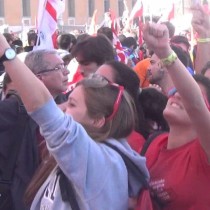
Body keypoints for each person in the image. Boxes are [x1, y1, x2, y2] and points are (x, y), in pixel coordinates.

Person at [0, 36, 149, 210]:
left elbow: (44, 109)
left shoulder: (98, 160)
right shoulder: (94, 152)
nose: (62, 110)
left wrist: (5, 52)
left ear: (98, 120)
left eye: (72, 104)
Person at [142, 15, 210, 210]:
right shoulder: (154, 143)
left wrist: (164, 51)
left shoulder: (204, 153)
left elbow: (195, 102)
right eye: (176, 90)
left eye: (186, 95)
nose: (178, 95)